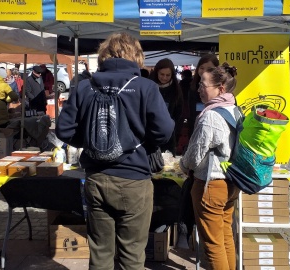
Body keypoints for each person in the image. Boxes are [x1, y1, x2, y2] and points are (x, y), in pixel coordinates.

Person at [56, 32, 174, 270]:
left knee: (100, 254)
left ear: (104, 56)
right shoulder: (145, 87)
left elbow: (64, 130)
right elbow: (164, 131)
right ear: (136, 56)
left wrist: (91, 141)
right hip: (135, 179)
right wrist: (145, 143)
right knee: (132, 255)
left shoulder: (84, 87)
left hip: (96, 178)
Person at [179, 63, 239, 270]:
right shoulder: (235, 109)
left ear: (220, 88)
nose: (198, 88)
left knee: (212, 245)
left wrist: (182, 164)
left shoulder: (211, 115)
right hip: (230, 183)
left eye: (203, 84)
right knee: (225, 237)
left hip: (210, 185)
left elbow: (195, 156)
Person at [149, 58, 183, 156]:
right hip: (150, 134)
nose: (164, 78)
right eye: (162, 74)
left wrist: (173, 130)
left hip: (169, 136)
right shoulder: (150, 87)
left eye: (168, 75)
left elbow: (178, 114)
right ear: (157, 73)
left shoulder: (176, 90)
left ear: (172, 75)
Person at [188, 54, 219, 138]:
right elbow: (190, 113)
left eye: (209, 69)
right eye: (201, 68)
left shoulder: (221, 89)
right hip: (195, 130)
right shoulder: (192, 87)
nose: (204, 71)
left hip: (214, 132)